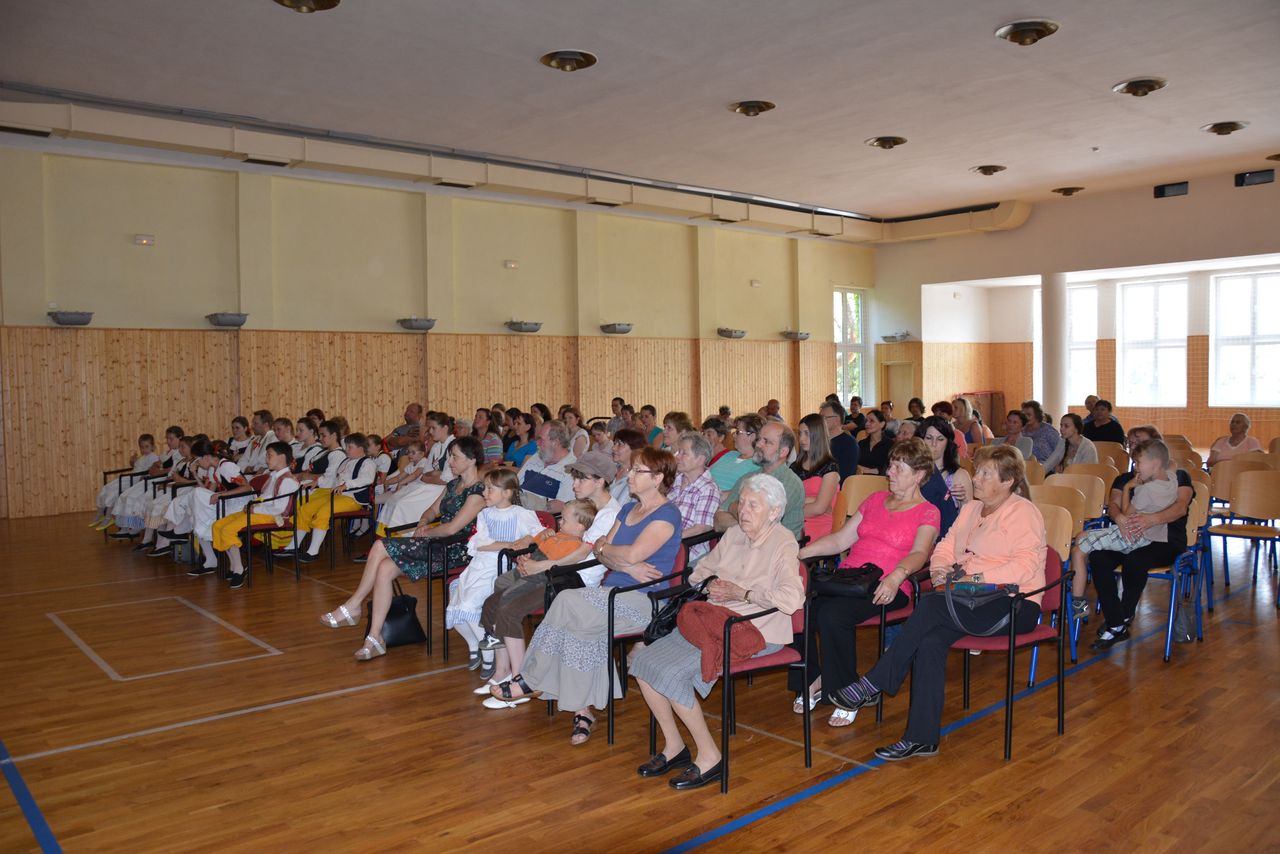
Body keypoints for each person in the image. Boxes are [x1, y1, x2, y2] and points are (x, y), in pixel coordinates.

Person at [830, 444, 1047, 761]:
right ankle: (921, 738)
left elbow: (1024, 567)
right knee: (930, 641)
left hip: (1014, 603)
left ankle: (874, 682)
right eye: (978, 471)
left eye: (986, 473)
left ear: (1008, 481)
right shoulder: (971, 509)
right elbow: (944, 547)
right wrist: (940, 572)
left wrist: (971, 579)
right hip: (968, 601)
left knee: (931, 605)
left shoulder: (1023, 513)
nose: (976, 478)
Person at [630, 475, 805, 789]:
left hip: (755, 630)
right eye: (742, 503)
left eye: (753, 506)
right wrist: (710, 584)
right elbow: (700, 572)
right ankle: (675, 746)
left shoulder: (783, 542)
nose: (743, 511)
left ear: (775, 512)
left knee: (671, 675)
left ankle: (710, 756)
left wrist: (743, 594)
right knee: (642, 662)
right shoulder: (734, 534)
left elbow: (792, 599)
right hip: (712, 621)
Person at [502, 448, 684, 745]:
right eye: (632, 469)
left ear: (658, 478)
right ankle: (582, 712)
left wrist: (612, 553)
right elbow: (600, 550)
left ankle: (530, 678)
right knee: (579, 626)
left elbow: (626, 552)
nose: (629, 475)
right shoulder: (627, 510)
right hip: (613, 592)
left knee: (567, 600)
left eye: (637, 471)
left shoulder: (667, 514)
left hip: (645, 599)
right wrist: (620, 560)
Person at [794, 439, 940, 726]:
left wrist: (897, 576)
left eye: (898, 468)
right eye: (891, 466)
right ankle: (814, 678)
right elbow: (840, 540)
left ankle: (846, 691)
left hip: (889, 585)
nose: (889, 472)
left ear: (919, 474)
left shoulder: (927, 511)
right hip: (850, 578)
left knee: (833, 614)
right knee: (800, 605)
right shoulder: (875, 500)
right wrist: (799, 554)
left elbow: (920, 554)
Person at [319, 436, 486, 660]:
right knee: (384, 569)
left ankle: (354, 605)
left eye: (455, 457)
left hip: (456, 550)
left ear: (472, 459)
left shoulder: (478, 491)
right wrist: (424, 522)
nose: (450, 462)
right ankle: (374, 638)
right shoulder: (453, 485)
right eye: (450, 457)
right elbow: (431, 511)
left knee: (380, 545)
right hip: (436, 544)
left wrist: (426, 532)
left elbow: (452, 529)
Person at [480, 454, 622, 703]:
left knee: (509, 609)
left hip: (572, 581)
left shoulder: (609, 514)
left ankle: (520, 679)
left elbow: (581, 553)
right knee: (495, 600)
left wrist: (540, 565)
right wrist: (535, 552)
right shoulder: (585, 505)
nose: (574, 484)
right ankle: (502, 671)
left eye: (581, 479)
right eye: (575, 478)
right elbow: (560, 537)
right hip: (556, 572)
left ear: (600, 481)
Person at [1088, 440, 1194, 649]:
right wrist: (1121, 518)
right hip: (1132, 536)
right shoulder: (1127, 479)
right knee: (1098, 557)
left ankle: (1123, 615)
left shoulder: (1178, 477)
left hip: (1166, 540)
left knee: (1136, 560)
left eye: (1139, 458)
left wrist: (1152, 519)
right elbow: (1115, 506)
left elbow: (1181, 507)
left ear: (1155, 460)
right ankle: (1117, 623)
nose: (1135, 463)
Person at [447, 468, 543, 675]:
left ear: (507, 493)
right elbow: (481, 544)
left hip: (499, 567)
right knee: (455, 603)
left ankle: (490, 653)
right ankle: (474, 644)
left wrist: (525, 540)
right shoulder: (485, 514)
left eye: (490, 489)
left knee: (468, 605)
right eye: (485, 488)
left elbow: (539, 534)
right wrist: (508, 543)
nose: (484, 493)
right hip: (479, 564)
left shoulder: (521, 514)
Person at [1070, 440, 1177, 619]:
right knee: (1083, 542)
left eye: (1139, 463)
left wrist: (1128, 487)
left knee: (1078, 546)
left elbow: (1126, 513)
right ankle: (1078, 588)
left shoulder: (1146, 490)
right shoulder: (1172, 481)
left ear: (1155, 463)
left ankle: (1078, 602)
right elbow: (1171, 467)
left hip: (1129, 535)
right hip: (1146, 538)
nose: (1136, 467)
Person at [210, 442, 299, 589]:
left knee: (228, 529)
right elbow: (266, 497)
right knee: (218, 525)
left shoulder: (288, 480)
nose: (266, 459)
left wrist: (255, 509)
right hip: (261, 511)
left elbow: (280, 509)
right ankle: (233, 565)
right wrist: (253, 506)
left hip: (273, 516)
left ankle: (239, 569)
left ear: (282, 457)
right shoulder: (274, 476)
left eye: (269, 455)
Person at [291, 433, 377, 563]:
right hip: (335, 494)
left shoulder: (368, 463)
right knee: (306, 508)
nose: (346, 449)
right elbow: (334, 479)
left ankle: (313, 552)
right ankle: (293, 546)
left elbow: (367, 479)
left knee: (323, 512)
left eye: (350, 447)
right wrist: (317, 482)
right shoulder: (345, 461)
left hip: (352, 498)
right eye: (346, 446)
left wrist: (346, 485)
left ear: (360, 448)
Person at [714, 421, 805, 539]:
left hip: (775, 548)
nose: (758, 444)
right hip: (741, 546)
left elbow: (764, 523)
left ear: (783, 452)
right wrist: (749, 522)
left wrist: (733, 506)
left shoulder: (790, 483)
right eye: (759, 439)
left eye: (767, 442)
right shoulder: (748, 478)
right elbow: (718, 521)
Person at [669, 432, 720, 562]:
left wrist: (667, 539)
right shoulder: (675, 480)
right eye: (678, 452)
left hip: (686, 551)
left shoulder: (708, 489)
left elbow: (701, 528)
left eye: (684, 453)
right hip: (662, 542)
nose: (677, 457)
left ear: (700, 460)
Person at [91, 433, 160, 528]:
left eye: (147, 446)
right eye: (141, 447)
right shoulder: (142, 457)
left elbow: (152, 470)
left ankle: (108, 517)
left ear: (152, 446)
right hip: (130, 476)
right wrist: (132, 461)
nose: (144, 449)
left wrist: (144, 476)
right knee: (107, 488)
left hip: (136, 480)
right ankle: (99, 514)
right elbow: (136, 466)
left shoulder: (153, 457)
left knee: (114, 491)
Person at [792, 413, 841, 543]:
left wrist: (792, 510)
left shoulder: (830, 467)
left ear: (818, 435)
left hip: (818, 526)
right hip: (796, 523)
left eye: (807, 434)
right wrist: (812, 500)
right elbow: (786, 499)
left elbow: (819, 508)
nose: (801, 439)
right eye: (800, 433)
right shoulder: (795, 466)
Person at [919, 416, 970, 539]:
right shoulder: (912, 472)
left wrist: (963, 501)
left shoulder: (959, 475)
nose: (934, 444)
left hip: (946, 536)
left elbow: (968, 521)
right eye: (929, 438)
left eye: (940, 439)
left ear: (948, 443)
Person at [516, 420, 577, 513]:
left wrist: (524, 504)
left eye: (541, 439)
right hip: (515, 508)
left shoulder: (572, 469)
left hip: (538, 516)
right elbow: (516, 483)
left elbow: (563, 505)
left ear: (556, 442)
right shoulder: (537, 456)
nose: (537, 443)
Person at [707, 414, 762, 493]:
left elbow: (745, 492)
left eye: (738, 432)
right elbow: (704, 474)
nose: (734, 435)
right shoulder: (729, 454)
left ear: (751, 436)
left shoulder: (757, 465)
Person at [821, 400, 860, 481]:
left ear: (837, 420)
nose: (820, 421)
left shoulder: (849, 444)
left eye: (824, 418)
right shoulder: (820, 440)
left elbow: (844, 477)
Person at [609, 428, 647, 504]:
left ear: (634, 449)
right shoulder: (613, 468)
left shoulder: (637, 479)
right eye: (614, 443)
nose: (613, 448)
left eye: (620, 444)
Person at [857, 409, 892, 475]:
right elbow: (855, 464)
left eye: (871, 421)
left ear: (882, 424)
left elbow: (888, 468)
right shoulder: (861, 444)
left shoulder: (890, 445)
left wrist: (867, 471)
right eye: (866, 421)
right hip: (861, 478)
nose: (867, 424)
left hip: (881, 480)